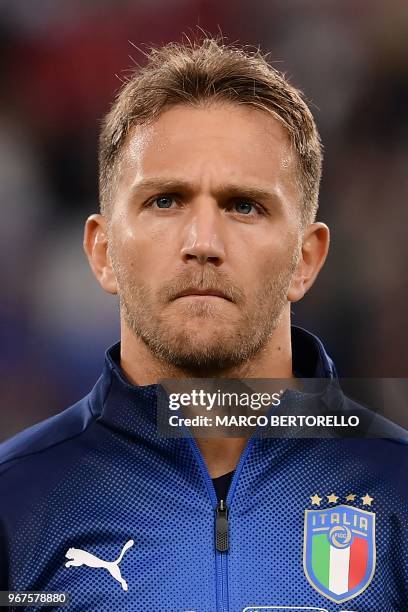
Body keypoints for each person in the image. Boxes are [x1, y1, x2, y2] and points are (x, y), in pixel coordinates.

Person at [0, 38, 407, 611]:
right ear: (102, 251)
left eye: (244, 205)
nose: (203, 244)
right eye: (166, 201)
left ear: (306, 260)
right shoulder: (15, 503)